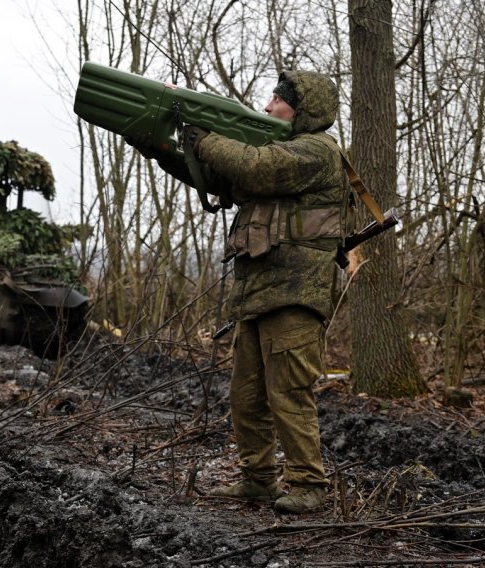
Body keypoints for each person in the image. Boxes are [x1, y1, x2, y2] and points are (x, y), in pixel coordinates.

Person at [130, 70, 350, 513]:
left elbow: (253, 166)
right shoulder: (277, 154)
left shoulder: (317, 152)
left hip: (295, 293)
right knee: (246, 396)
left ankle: (308, 485)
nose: (268, 106)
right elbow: (217, 176)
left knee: (288, 393)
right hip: (258, 293)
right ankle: (258, 479)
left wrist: (205, 135)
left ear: (302, 109)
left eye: (277, 100)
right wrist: (158, 146)